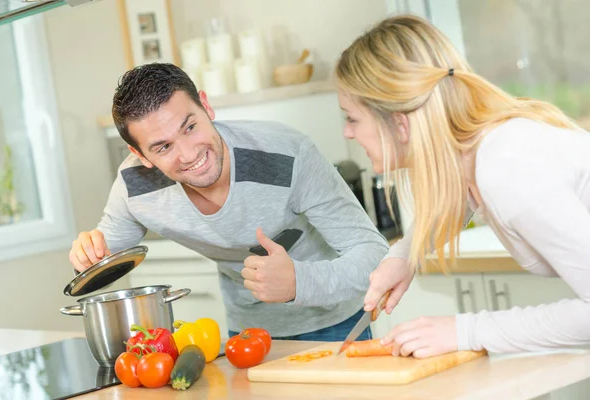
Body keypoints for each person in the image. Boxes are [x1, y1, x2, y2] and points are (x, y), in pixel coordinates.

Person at [68, 62, 389, 342]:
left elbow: (375, 256)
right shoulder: (135, 185)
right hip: (249, 332)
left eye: (190, 127)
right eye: (163, 147)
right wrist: (87, 254)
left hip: (336, 323)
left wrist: (299, 283)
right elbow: (102, 259)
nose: (189, 154)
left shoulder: (287, 154)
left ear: (206, 106)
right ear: (139, 155)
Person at [334, 14, 590, 358]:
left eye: (352, 118)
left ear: (400, 124)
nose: (347, 133)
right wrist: (406, 256)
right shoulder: (483, 154)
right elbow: (459, 202)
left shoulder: (507, 167)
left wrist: (464, 331)